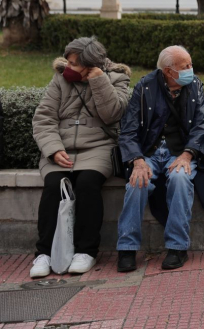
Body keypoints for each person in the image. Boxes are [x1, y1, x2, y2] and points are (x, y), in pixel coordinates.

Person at [116, 46, 204, 272]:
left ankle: (177, 247)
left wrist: (188, 154)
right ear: (169, 71)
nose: (191, 69)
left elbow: (202, 125)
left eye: (190, 64)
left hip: (180, 153)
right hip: (148, 153)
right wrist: (137, 161)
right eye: (185, 66)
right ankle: (127, 248)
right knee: (136, 183)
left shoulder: (195, 86)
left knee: (180, 179)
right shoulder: (145, 86)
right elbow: (128, 131)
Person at [30, 37, 130, 278]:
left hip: (97, 147)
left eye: (75, 63)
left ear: (90, 64)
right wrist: (53, 150)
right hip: (60, 148)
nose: (69, 66)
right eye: (69, 61)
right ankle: (43, 253)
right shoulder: (60, 79)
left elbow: (112, 114)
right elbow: (43, 118)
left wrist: (98, 80)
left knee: (87, 183)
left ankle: (86, 251)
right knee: (54, 185)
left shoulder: (118, 78)